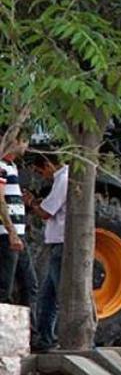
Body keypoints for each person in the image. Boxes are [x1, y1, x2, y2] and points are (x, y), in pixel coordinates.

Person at [25, 152, 69, 352]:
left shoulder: (63, 179)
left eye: (40, 171)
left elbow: (46, 212)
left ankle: (55, 336)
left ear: (49, 164)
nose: (42, 176)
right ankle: (46, 337)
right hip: (56, 244)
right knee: (48, 295)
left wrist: (32, 203)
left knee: (57, 295)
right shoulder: (62, 179)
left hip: (61, 243)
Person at [0, 138, 39, 340]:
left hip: (17, 234)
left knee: (30, 284)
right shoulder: (1, 165)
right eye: (22, 140)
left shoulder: (12, 166)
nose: (25, 145)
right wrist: (12, 232)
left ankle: (28, 334)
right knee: (4, 287)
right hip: (8, 235)